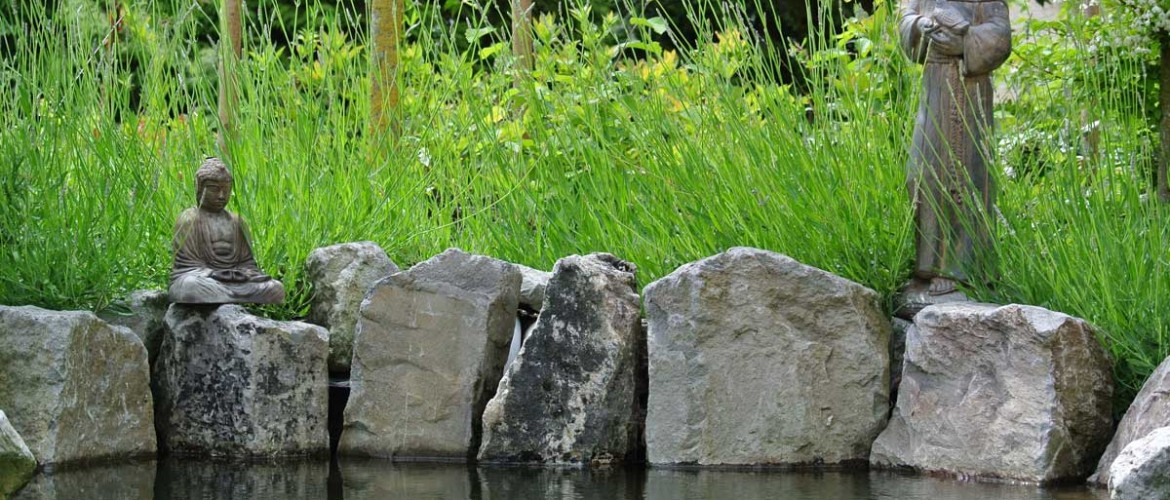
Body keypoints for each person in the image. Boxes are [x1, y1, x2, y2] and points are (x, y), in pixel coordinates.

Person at [899, 0, 1011, 296]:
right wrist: (920, 27)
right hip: (934, 85)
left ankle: (959, 269)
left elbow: (1001, 33)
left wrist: (963, 42)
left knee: (965, 175)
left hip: (969, 87)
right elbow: (907, 17)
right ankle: (927, 263)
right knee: (920, 174)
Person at [169, 157, 285, 304]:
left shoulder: (237, 221)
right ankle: (227, 295)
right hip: (203, 280)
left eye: (226, 190)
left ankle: (227, 295)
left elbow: (248, 263)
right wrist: (215, 274)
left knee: (275, 288)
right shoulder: (189, 219)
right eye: (214, 189)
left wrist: (241, 274)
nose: (221, 196)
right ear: (199, 189)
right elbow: (186, 265)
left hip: (234, 281)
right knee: (190, 287)